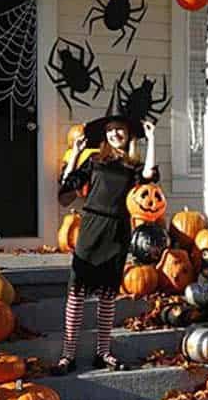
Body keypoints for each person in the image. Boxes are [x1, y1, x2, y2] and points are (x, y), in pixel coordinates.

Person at [52, 88, 159, 374]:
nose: (114, 135)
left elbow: (149, 178)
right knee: (76, 293)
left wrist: (153, 140)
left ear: (128, 134)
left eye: (119, 130)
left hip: (117, 231)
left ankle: (104, 352)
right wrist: (74, 154)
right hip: (91, 227)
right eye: (110, 130)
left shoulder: (133, 165)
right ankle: (68, 354)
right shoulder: (95, 160)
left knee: (108, 296)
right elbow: (68, 185)